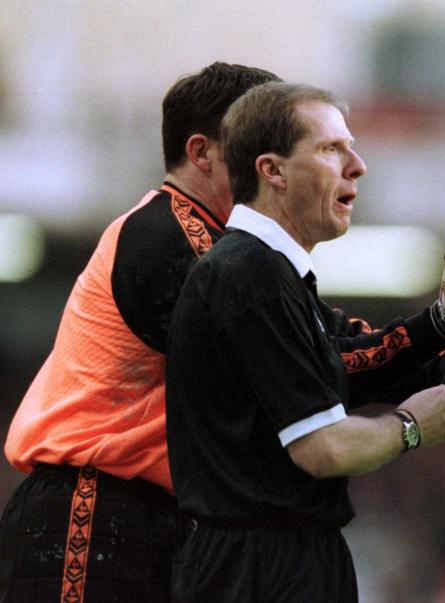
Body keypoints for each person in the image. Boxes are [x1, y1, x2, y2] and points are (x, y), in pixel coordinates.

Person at [164, 82, 445, 602]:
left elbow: (354, 358)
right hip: (256, 571)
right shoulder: (248, 274)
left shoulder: (272, 273)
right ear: (272, 170)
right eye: (330, 148)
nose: (357, 164)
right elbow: (323, 448)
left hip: (277, 561)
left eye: (351, 146)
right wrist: (413, 427)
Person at [0, 62, 280, 603]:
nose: (272, 165)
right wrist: (413, 405)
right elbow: (288, 364)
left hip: (142, 515)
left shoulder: (222, 248)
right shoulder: (168, 237)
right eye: (257, 144)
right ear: (202, 153)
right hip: (91, 506)